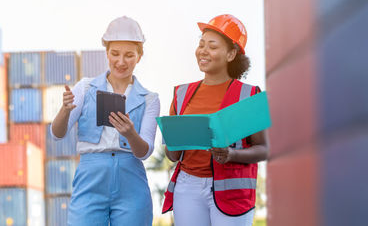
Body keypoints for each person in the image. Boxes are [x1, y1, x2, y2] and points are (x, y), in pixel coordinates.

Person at [161, 14, 268, 226]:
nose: (203, 51)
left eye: (212, 46)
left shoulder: (248, 95)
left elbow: (265, 149)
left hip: (232, 191)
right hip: (188, 188)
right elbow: (172, 155)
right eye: (201, 44)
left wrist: (232, 154)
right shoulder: (181, 94)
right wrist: (174, 140)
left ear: (231, 54)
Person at [51, 16, 159, 226]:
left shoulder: (150, 99)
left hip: (131, 181)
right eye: (115, 54)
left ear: (140, 55)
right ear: (106, 53)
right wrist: (64, 110)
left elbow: (145, 152)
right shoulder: (85, 88)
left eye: (129, 55)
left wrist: (130, 134)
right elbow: (56, 134)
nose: (121, 62)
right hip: (90, 177)